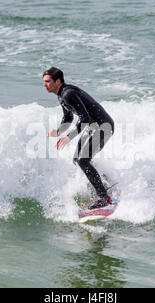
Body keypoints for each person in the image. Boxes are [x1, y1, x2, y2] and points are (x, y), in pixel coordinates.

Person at [43, 67, 115, 210]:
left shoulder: (68, 94)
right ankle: (107, 184)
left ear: (58, 81)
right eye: (44, 82)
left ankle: (104, 197)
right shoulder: (61, 94)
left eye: (47, 82)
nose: (45, 85)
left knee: (83, 160)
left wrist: (69, 137)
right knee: (77, 160)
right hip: (94, 126)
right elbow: (68, 117)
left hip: (103, 126)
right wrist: (58, 132)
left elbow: (85, 118)